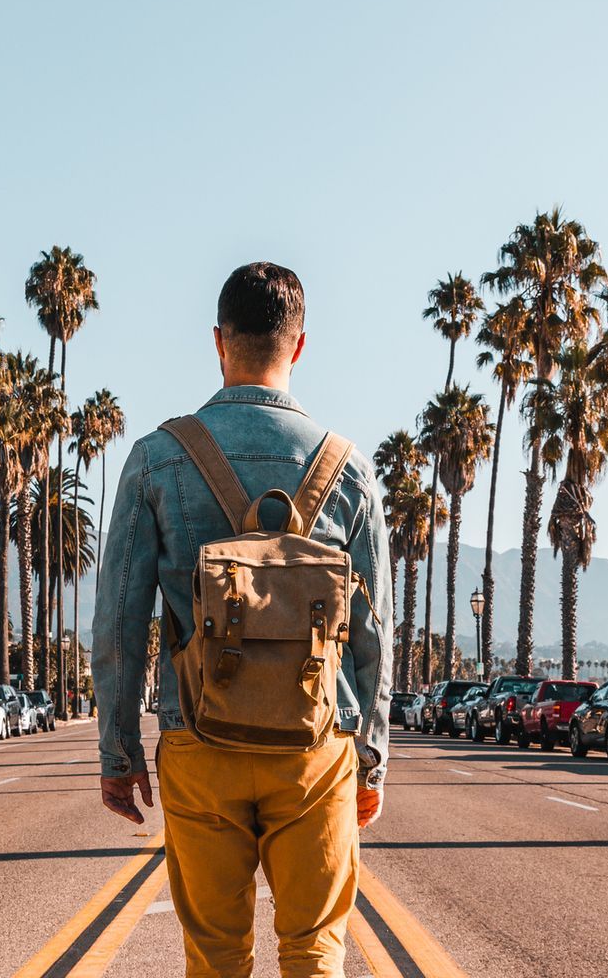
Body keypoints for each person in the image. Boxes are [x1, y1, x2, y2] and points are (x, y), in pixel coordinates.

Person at [93, 262, 391, 978]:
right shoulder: (350, 473)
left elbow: (118, 626)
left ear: (219, 342)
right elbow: (373, 636)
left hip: (200, 741)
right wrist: (372, 758)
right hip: (316, 751)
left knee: (217, 958)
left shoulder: (157, 459)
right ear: (299, 346)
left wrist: (118, 754)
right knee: (316, 950)